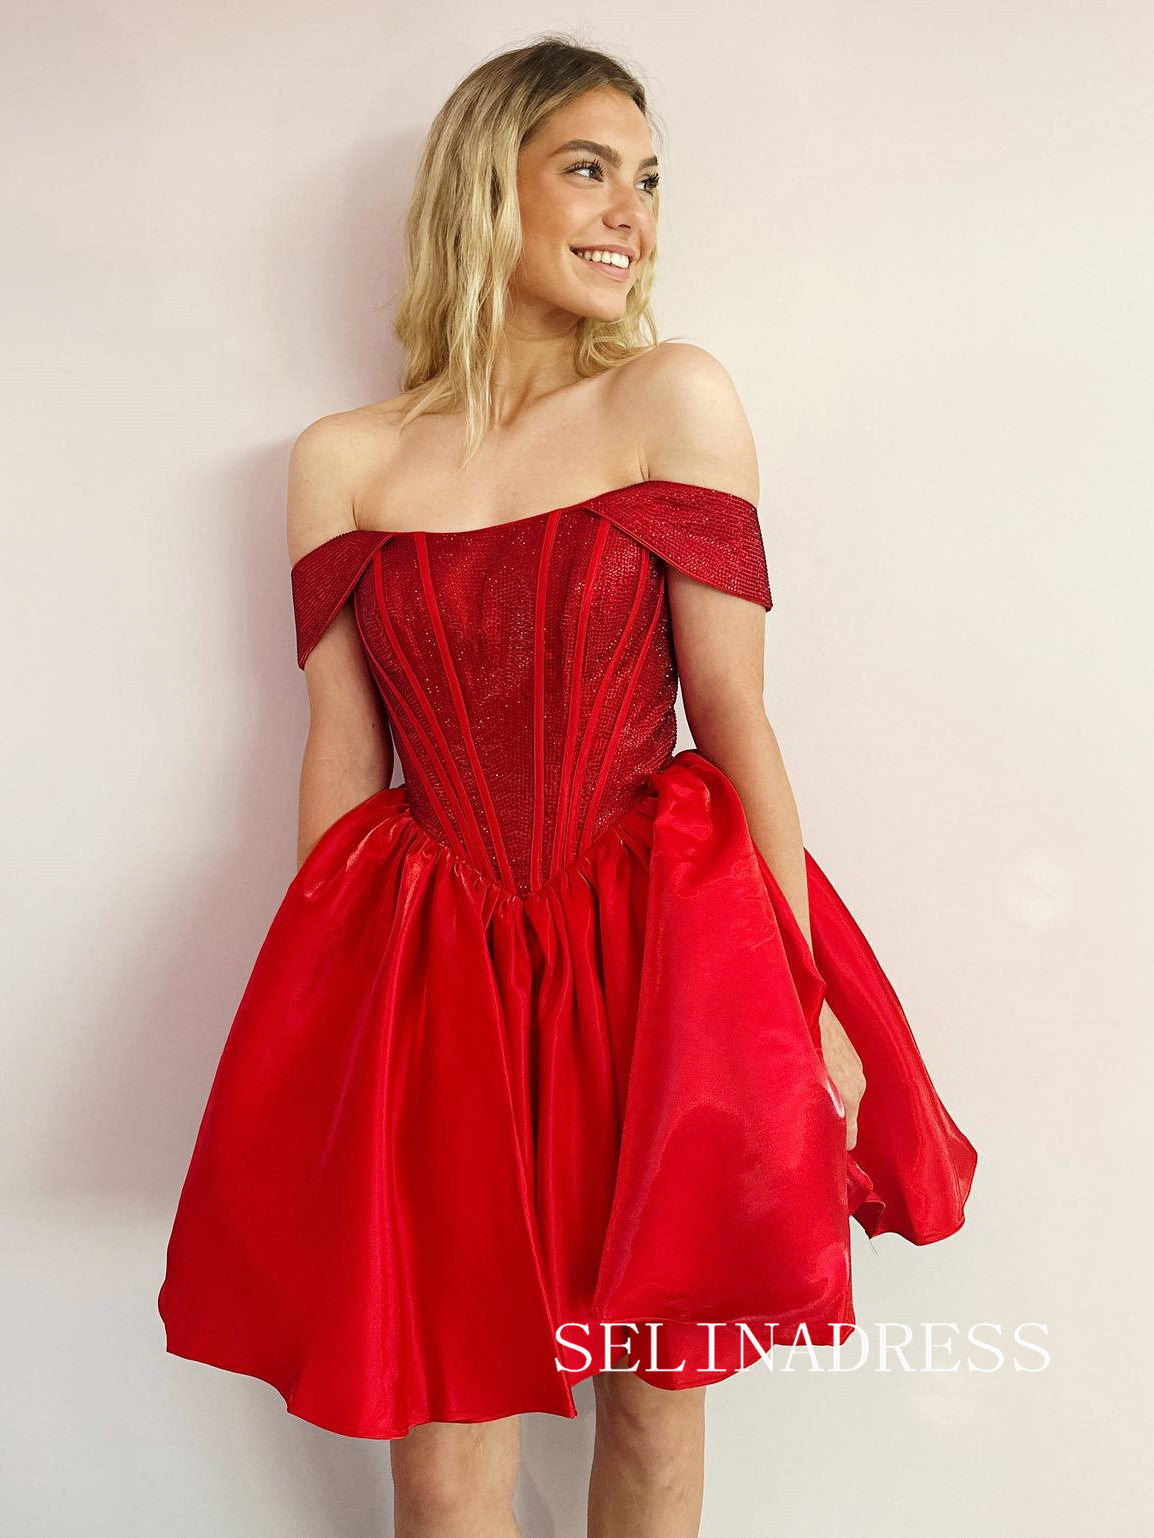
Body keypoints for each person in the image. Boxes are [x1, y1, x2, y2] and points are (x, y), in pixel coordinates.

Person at [158, 33, 977, 1538]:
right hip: (435, 974)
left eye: (648, 182)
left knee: (654, 1409)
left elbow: (732, 714)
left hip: (654, 958)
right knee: (441, 1443)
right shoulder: (340, 459)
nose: (629, 216)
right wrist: (328, 1035)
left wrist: (802, 995)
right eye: (589, 170)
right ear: (488, 188)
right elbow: (343, 754)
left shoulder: (674, 397)